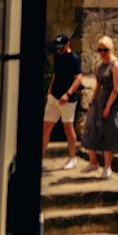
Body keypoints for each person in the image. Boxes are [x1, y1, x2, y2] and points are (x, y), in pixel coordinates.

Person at [81, 34, 118, 179]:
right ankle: (93, 161)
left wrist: (107, 107)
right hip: (99, 100)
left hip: (110, 101)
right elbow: (98, 85)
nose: (102, 53)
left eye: (105, 50)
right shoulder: (99, 66)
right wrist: (91, 101)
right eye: (100, 50)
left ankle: (107, 166)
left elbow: (116, 87)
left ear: (110, 49)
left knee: (109, 131)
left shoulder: (115, 65)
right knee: (90, 128)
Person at [43, 33, 83, 170]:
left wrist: (68, 94)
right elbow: (56, 73)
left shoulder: (73, 59)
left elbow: (78, 78)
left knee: (68, 127)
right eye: (57, 48)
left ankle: (72, 158)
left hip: (67, 100)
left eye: (61, 48)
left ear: (67, 45)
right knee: (46, 127)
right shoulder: (57, 55)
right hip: (54, 96)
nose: (59, 51)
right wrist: (50, 88)